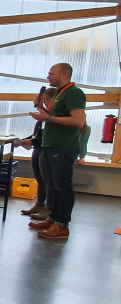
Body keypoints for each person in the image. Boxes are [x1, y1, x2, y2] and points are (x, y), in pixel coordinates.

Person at [28, 62, 87, 240]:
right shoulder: (59, 94)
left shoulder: (74, 93)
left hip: (63, 147)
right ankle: (53, 218)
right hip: (49, 145)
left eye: (51, 74)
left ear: (63, 75)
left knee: (62, 186)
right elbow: (53, 118)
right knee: (52, 184)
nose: (48, 77)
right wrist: (43, 112)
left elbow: (78, 121)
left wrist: (49, 117)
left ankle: (62, 225)